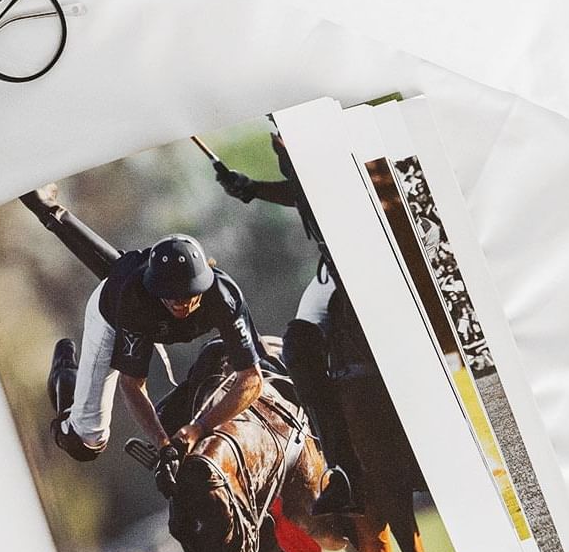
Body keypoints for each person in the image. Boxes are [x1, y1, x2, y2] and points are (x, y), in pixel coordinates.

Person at [214, 136, 358, 515]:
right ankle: (342, 471)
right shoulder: (283, 134)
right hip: (331, 273)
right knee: (296, 344)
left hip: (371, 257)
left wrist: (257, 189)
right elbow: (302, 191)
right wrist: (254, 188)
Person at [52, 234, 270, 473]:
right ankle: (66, 379)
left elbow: (251, 379)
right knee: (86, 441)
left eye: (187, 294)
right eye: (168, 295)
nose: (178, 303)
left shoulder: (224, 295)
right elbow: (132, 384)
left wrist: (199, 427)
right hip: (111, 316)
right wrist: (163, 444)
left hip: (152, 316)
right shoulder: (136, 300)